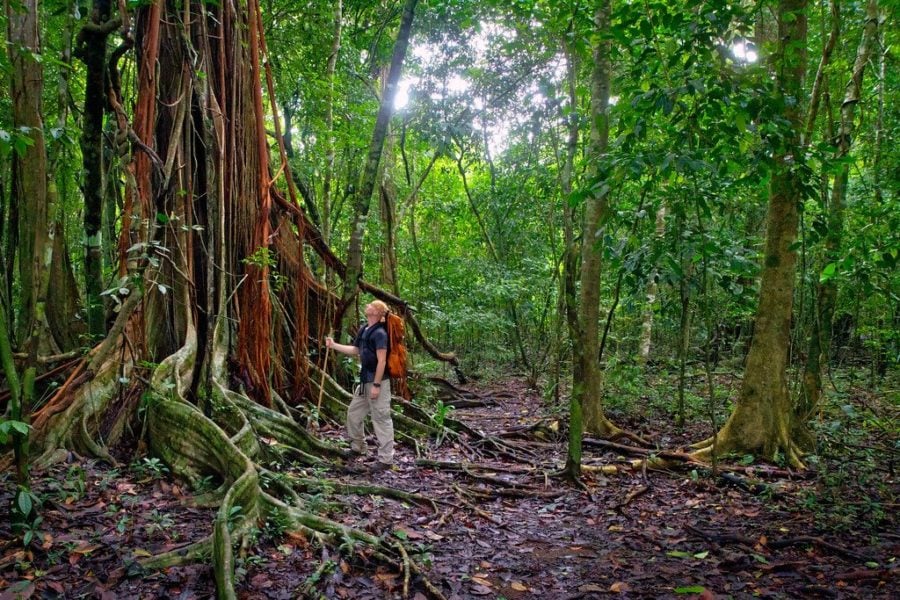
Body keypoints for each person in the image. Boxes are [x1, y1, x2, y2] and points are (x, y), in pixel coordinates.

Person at [325, 300, 394, 472]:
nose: (367, 306)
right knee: (353, 414)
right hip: (364, 381)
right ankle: (358, 447)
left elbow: (382, 361)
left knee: (381, 419)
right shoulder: (364, 329)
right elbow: (355, 350)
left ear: (377, 312)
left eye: (371, 305)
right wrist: (334, 345)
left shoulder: (380, 333)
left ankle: (386, 460)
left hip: (378, 382)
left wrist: (377, 385)